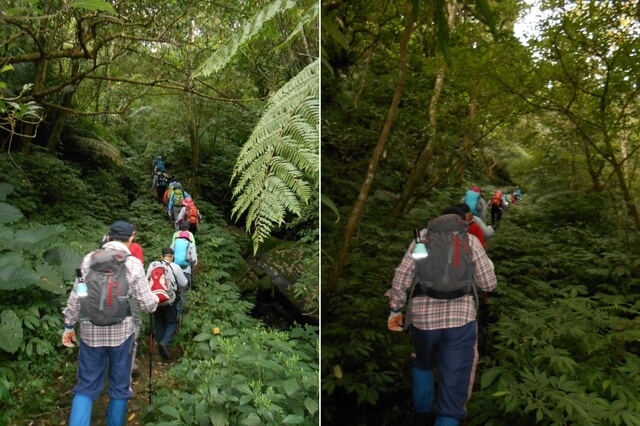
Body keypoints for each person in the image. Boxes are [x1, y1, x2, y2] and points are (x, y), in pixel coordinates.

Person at [386, 207, 497, 426]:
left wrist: (395, 309)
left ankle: (422, 414)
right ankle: (448, 416)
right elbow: (489, 285)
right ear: (461, 221)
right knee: (455, 375)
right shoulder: (471, 241)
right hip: (461, 321)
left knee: (423, 362)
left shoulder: (422, 239)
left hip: (422, 319)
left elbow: (402, 276)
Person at [62, 221, 159, 426]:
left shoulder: (89, 259)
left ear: (108, 236)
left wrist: (69, 325)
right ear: (131, 237)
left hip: (90, 332)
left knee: (86, 386)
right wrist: (156, 299)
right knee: (120, 386)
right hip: (122, 334)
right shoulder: (133, 264)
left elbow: (77, 294)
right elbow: (147, 304)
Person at [146, 248, 188, 360]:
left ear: (161, 256)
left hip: (155, 298)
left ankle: (161, 348)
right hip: (169, 299)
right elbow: (184, 283)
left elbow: (146, 280)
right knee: (172, 323)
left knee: (159, 322)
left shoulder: (153, 265)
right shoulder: (175, 267)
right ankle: (164, 344)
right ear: (172, 257)